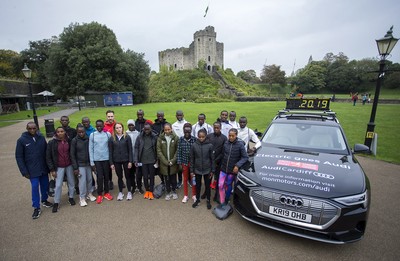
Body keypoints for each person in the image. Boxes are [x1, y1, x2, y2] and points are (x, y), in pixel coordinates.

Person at [16, 122, 52, 219]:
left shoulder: (41, 137)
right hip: (32, 169)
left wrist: (50, 166)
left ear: (37, 128)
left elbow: (46, 151)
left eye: (34, 128)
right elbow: (19, 157)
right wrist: (24, 171)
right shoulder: (21, 140)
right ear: (27, 129)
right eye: (30, 128)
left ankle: (44, 200)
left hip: (43, 167)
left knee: (45, 185)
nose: (32, 130)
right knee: (35, 186)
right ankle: (36, 207)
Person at [46, 126, 75, 213]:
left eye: (62, 131)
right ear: (56, 133)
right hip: (59, 166)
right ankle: (56, 202)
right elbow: (48, 157)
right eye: (58, 132)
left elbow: (72, 153)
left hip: (69, 165)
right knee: (58, 185)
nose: (60, 133)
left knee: (71, 182)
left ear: (65, 132)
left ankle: (71, 197)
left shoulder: (69, 141)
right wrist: (52, 169)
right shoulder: (52, 143)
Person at [219, 128, 248, 207]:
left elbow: (245, 157)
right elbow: (222, 155)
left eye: (233, 136)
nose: (231, 137)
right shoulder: (225, 143)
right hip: (223, 168)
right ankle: (222, 201)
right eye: (229, 135)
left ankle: (226, 199)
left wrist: (237, 165)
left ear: (236, 135)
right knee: (220, 185)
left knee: (228, 185)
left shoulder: (240, 145)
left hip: (232, 171)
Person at [70, 124, 96, 207]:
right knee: (82, 181)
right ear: (77, 132)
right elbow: (72, 155)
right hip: (80, 165)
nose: (81, 133)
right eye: (79, 132)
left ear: (85, 131)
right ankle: (82, 198)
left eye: (82, 132)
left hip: (88, 163)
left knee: (89, 179)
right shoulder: (74, 140)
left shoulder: (88, 139)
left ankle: (89, 193)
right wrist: (75, 167)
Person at [89, 119, 113, 204]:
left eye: (100, 126)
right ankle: (100, 193)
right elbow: (90, 149)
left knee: (107, 176)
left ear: (103, 126)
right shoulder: (93, 135)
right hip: (97, 160)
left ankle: (106, 192)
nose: (99, 127)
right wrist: (92, 162)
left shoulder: (108, 134)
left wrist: (111, 161)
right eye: (97, 126)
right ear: (96, 126)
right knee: (99, 177)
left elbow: (110, 148)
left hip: (106, 159)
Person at [190, 129, 215, 209]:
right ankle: (197, 200)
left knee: (207, 186)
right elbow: (192, 159)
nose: (201, 138)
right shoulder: (194, 145)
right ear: (197, 136)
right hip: (197, 169)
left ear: (205, 136)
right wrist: (191, 170)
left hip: (207, 170)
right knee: (198, 186)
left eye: (203, 137)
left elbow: (212, 159)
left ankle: (208, 200)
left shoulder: (210, 146)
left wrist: (212, 170)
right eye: (199, 137)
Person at [109, 122, 133, 201]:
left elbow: (130, 150)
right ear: (114, 129)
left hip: (126, 160)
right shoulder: (112, 138)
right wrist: (111, 163)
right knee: (119, 177)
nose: (119, 129)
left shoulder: (127, 137)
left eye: (120, 127)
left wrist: (130, 161)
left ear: (122, 128)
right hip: (116, 160)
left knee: (127, 176)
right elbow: (110, 151)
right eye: (117, 128)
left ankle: (129, 191)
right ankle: (120, 192)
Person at [134, 122, 158, 199]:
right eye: (145, 129)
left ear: (151, 129)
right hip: (143, 160)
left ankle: (151, 191)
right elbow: (136, 148)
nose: (146, 131)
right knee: (144, 176)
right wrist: (136, 160)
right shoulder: (140, 137)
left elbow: (157, 149)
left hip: (152, 160)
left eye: (148, 129)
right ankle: (147, 190)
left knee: (151, 176)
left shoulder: (154, 137)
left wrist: (157, 160)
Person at [157, 123, 179, 200]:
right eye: (165, 130)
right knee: (166, 178)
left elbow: (177, 150)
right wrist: (165, 161)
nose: (167, 131)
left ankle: (174, 191)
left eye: (168, 129)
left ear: (171, 129)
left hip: (173, 162)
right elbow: (159, 151)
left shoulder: (176, 138)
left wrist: (172, 161)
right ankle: (168, 192)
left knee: (173, 177)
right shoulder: (160, 138)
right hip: (164, 163)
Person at [206, 121, 227, 203]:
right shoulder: (209, 136)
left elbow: (223, 152)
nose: (216, 129)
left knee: (218, 180)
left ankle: (216, 195)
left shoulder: (224, 138)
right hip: (209, 162)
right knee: (208, 179)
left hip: (219, 162)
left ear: (220, 128)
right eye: (215, 128)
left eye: (217, 128)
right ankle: (206, 193)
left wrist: (216, 160)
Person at [177, 123, 197, 203]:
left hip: (193, 164)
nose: (187, 133)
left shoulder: (194, 140)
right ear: (183, 131)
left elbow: (197, 152)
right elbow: (179, 152)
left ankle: (194, 195)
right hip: (184, 163)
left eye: (189, 132)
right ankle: (185, 195)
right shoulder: (180, 140)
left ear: (191, 131)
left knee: (193, 179)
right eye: (185, 132)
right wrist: (179, 163)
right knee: (185, 179)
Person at [172, 110, 187, 189]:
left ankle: (188, 180)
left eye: (181, 115)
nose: (179, 117)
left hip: (186, 147)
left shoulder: (187, 123)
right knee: (179, 165)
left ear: (183, 115)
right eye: (178, 115)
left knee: (187, 164)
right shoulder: (174, 125)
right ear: (176, 116)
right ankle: (180, 181)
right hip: (178, 147)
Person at [103, 110, 116, 190]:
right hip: (107, 149)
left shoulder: (117, 125)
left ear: (114, 116)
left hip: (117, 149)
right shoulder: (103, 126)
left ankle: (120, 180)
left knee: (118, 166)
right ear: (106, 117)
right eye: (109, 116)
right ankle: (110, 181)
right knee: (109, 167)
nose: (110, 118)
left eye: (111, 116)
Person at [126, 119, 140, 194]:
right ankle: (133, 186)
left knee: (138, 173)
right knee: (130, 173)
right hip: (129, 157)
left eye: (132, 125)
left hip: (136, 156)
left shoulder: (138, 133)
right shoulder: (126, 133)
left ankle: (139, 186)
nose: (131, 126)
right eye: (129, 125)